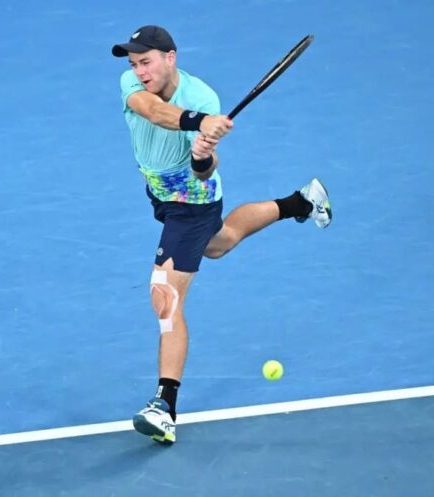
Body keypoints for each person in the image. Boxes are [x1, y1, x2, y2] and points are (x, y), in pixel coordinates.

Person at [111, 25, 332, 445]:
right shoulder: (136, 85)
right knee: (220, 243)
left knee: (165, 296)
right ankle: (300, 202)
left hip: (191, 201)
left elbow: (205, 170)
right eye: (135, 63)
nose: (139, 71)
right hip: (159, 190)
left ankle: (164, 407)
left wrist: (202, 154)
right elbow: (152, 111)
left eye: (147, 62)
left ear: (171, 57)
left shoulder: (203, 98)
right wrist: (200, 124)